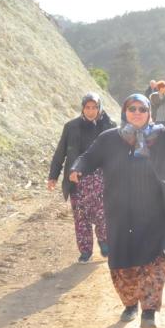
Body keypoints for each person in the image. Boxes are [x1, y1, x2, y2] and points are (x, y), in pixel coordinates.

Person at [69, 94, 165, 328]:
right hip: (119, 211)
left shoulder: (161, 136)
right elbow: (88, 158)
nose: (136, 112)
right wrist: (77, 168)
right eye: (131, 108)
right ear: (125, 112)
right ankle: (130, 304)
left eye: (142, 109)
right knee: (122, 262)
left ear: (149, 112)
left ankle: (149, 311)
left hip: (156, 211)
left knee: (155, 261)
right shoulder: (109, 138)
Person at [47, 93, 116, 263]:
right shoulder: (71, 127)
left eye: (94, 107)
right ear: (82, 108)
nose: (91, 111)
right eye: (88, 108)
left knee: (102, 214)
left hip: (101, 178)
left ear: (100, 108)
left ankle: (104, 239)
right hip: (76, 179)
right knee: (81, 217)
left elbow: (117, 153)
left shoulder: (109, 126)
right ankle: (85, 251)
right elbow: (60, 152)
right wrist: (53, 176)